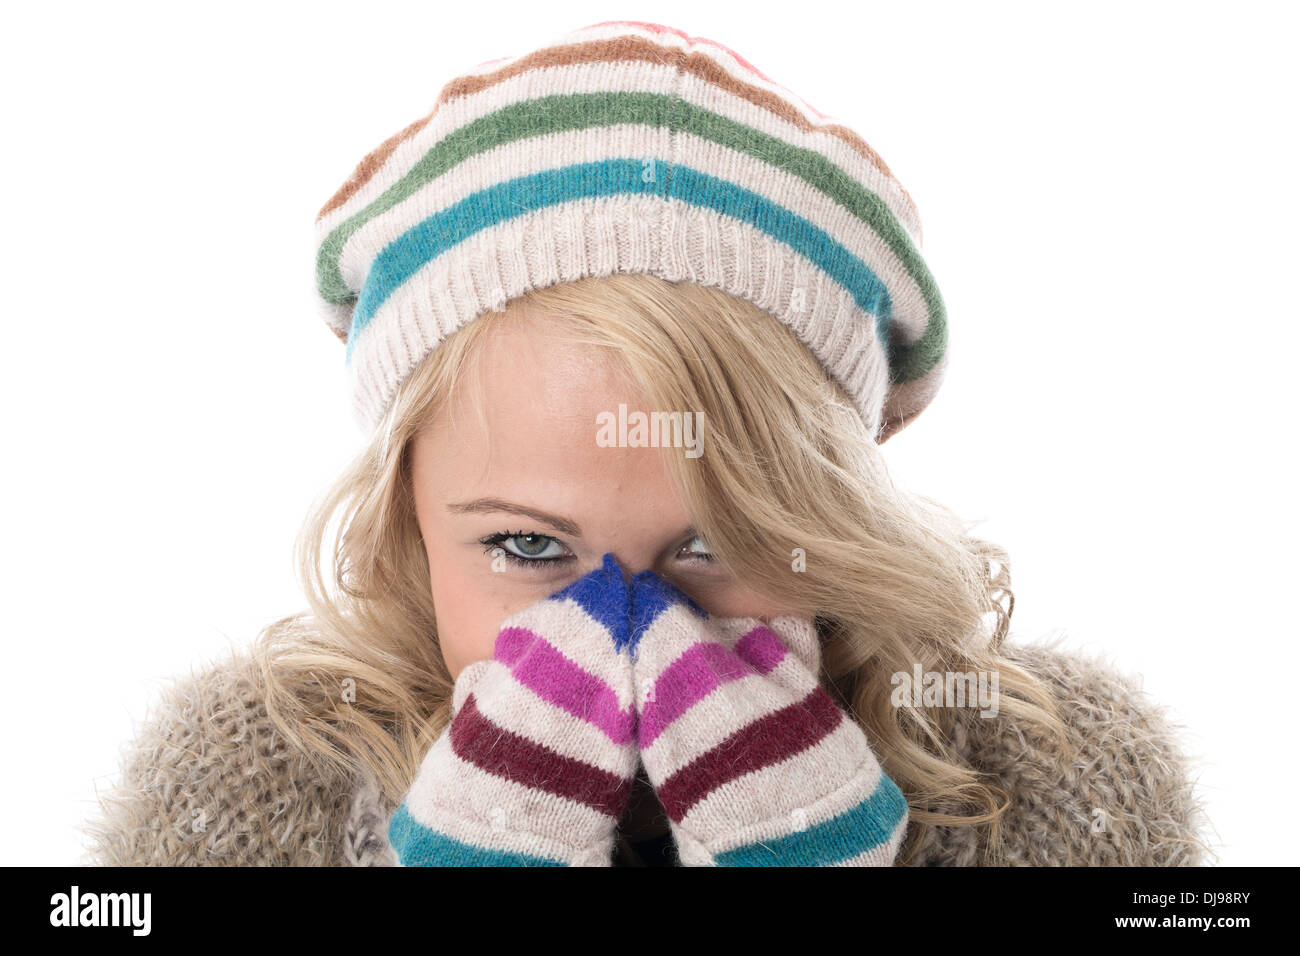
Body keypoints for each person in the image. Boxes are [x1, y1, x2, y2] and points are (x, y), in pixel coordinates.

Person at [82, 19, 1213, 867]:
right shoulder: (257, 775)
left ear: (833, 527)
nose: (624, 634)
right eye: (527, 547)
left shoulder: (1050, 774)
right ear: (406, 523)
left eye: (713, 543)